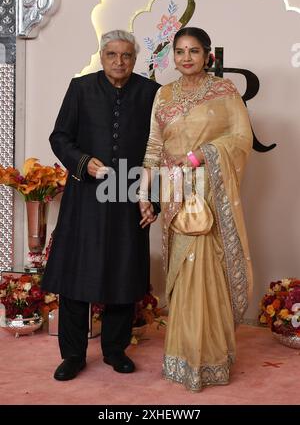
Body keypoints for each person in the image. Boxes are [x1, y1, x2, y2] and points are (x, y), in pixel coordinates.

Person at [42, 30, 160, 381]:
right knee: (78, 277)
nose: (119, 61)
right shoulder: (80, 88)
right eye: (112, 54)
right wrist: (85, 162)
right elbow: (59, 137)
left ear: (135, 59)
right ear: (102, 55)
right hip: (86, 198)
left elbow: (158, 151)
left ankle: (115, 350)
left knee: (123, 273)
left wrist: (150, 200)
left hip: (129, 193)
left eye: (126, 55)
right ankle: (73, 355)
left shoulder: (151, 94)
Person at [139, 27, 253, 391]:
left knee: (206, 270)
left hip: (209, 192)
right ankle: (182, 354)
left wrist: (203, 154)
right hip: (174, 195)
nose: (186, 58)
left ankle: (210, 358)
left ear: (209, 56)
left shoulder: (225, 91)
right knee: (182, 274)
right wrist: (145, 195)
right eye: (180, 51)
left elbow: (240, 139)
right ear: (173, 55)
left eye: (194, 51)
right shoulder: (164, 94)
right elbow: (153, 150)